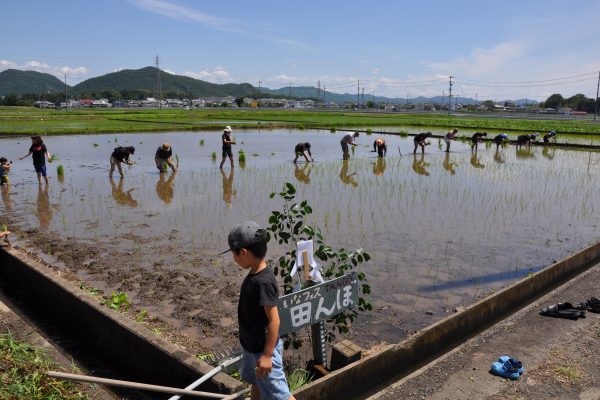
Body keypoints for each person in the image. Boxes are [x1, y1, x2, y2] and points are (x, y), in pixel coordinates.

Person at [221, 221, 296, 400]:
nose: (234, 259)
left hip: (262, 350)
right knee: (257, 382)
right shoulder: (255, 274)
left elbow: (274, 320)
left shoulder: (263, 282)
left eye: (234, 254)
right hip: (251, 347)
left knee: (280, 396)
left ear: (244, 252)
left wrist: (268, 355)